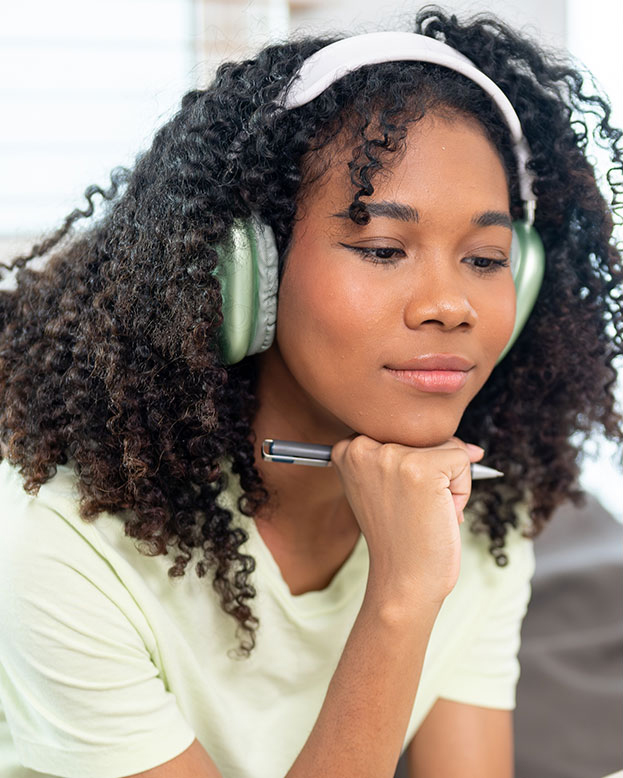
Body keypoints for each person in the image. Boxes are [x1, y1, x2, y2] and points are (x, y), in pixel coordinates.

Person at [0, 6, 621, 778]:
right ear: (247, 276)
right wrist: (401, 596)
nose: (450, 305)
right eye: (384, 248)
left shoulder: (483, 513)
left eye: (486, 260)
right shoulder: (63, 539)